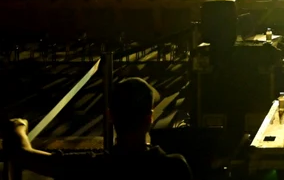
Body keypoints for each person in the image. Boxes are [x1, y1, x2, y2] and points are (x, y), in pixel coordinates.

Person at [2, 78, 192, 180]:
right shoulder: (174, 168)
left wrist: (19, 127)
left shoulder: (93, 168)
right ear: (150, 118)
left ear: (110, 116)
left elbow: (24, 155)